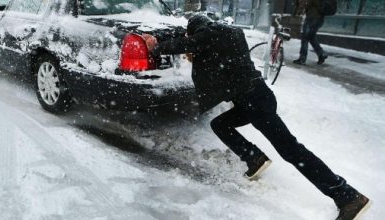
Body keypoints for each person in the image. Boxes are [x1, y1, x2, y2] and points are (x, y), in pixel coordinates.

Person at [144, 15, 370, 219]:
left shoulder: (215, 34)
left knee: (292, 150)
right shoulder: (219, 35)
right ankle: (255, 158)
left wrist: (156, 49)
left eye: (191, 33)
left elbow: (188, 42)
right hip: (254, 98)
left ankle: (347, 196)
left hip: (256, 101)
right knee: (220, 124)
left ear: (199, 29)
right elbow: (188, 40)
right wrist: (158, 38)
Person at [293, 0, 328, 65]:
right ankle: (321, 54)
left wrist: (297, 12)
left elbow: (305, 4)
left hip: (312, 18)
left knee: (305, 38)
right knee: (311, 37)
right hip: (320, 19)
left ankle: (302, 59)